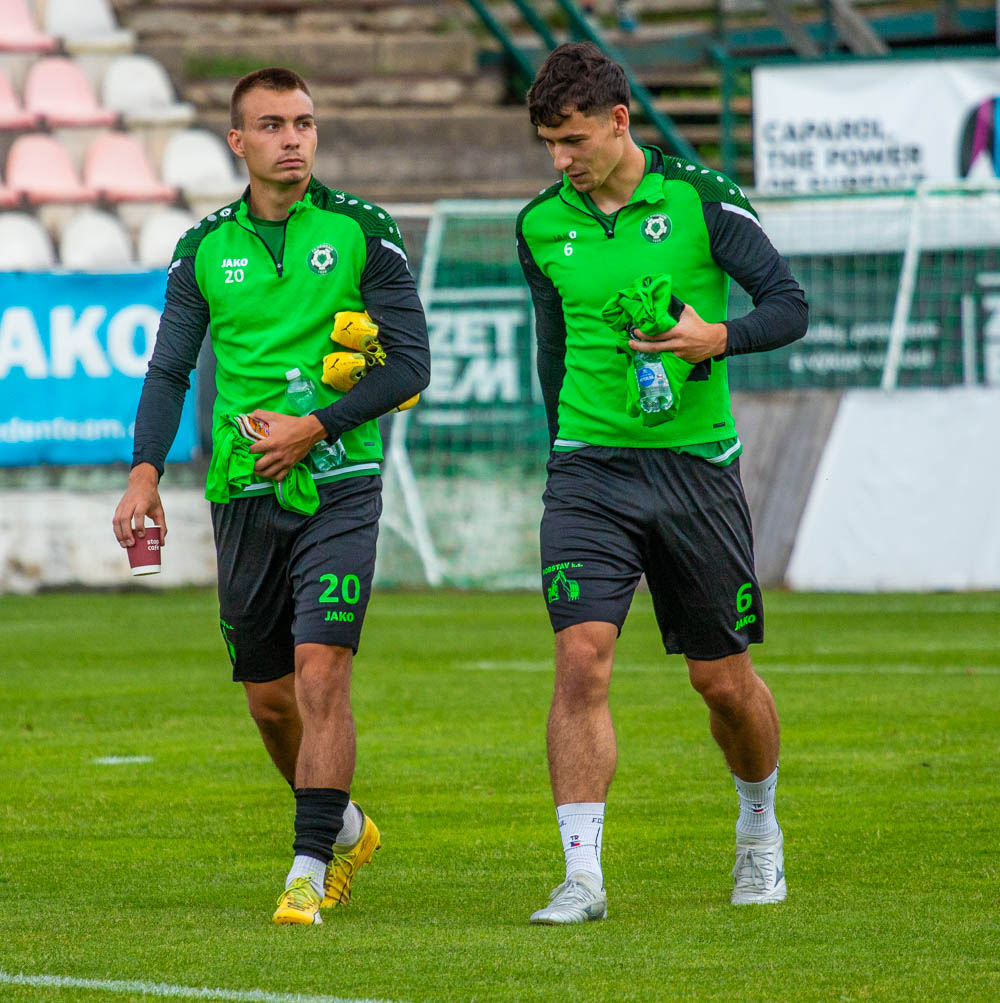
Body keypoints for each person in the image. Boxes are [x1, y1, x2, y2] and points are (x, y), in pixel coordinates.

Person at [112, 67, 430, 926]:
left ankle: (307, 869)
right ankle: (347, 827)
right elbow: (169, 370)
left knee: (323, 668)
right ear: (238, 141)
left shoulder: (363, 230)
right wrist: (145, 471)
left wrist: (315, 426)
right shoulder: (202, 248)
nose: (293, 139)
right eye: (273, 125)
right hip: (243, 486)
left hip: (340, 481)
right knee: (269, 697)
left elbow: (411, 364)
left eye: (304, 123)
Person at [515, 43, 808, 924]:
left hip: (695, 469)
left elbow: (788, 304)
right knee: (580, 658)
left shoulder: (701, 198)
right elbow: (552, 345)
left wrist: (717, 337)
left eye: (573, 140)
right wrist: (560, 443)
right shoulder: (539, 225)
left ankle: (759, 827)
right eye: (548, 144)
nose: (560, 160)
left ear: (619, 121)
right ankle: (582, 876)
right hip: (587, 469)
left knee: (721, 680)